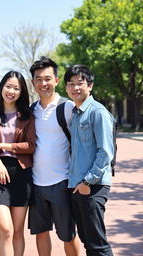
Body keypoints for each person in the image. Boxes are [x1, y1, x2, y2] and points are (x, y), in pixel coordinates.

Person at [28, 56, 80, 256]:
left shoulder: (67, 107)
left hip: (62, 182)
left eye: (48, 78)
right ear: (33, 83)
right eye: (39, 79)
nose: (43, 83)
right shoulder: (31, 110)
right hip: (36, 183)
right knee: (41, 232)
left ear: (57, 81)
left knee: (68, 235)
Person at [0, 70, 36, 256]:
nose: (11, 91)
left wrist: (3, 145)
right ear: (2, 87)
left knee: (18, 232)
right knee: (6, 229)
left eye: (16, 88)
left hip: (21, 174)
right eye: (8, 86)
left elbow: (30, 146)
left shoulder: (27, 116)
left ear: (22, 92)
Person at [64, 64, 114, 256]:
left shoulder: (97, 112)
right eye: (71, 83)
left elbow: (105, 153)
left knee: (97, 244)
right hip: (78, 186)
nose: (75, 87)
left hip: (93, 186)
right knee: (88, 241)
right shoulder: (76, 114)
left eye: (80, 83)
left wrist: (87, 181)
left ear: (90, 86)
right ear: (66, 88)